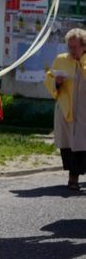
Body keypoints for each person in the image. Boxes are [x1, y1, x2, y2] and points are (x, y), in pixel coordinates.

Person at [44, 28, 86, 191]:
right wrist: (57, 82)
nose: (71, 50)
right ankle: (73, 178)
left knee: (82, 144)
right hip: (66, 109)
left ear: (84, 46)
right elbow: (49, 79)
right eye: (69, 47)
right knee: (69, 145)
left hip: (84, 111)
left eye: (75, 47)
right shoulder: (61, 60)